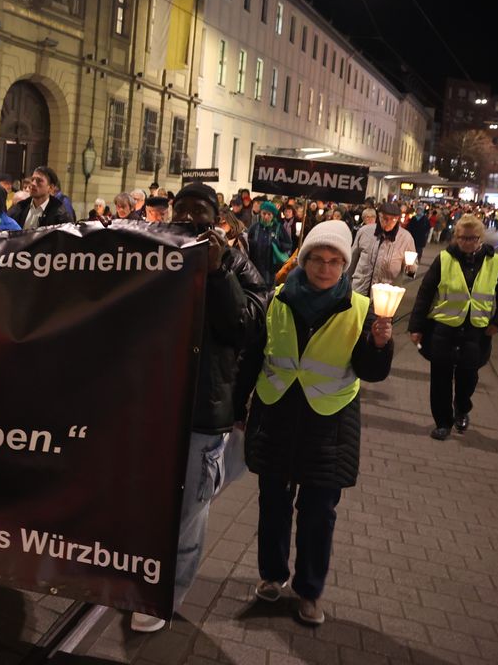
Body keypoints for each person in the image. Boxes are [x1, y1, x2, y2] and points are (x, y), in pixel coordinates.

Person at [239, 220, 393, 626]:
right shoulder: (277, 300)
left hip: (330, 425)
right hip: (276, 416)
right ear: (304, 261)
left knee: (318, 512)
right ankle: (273, 576)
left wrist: (380, 343)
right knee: (273, 504)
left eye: (334, 261)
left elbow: (371, 372)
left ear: (345, 265)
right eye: (317, 260)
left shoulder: (362, 309)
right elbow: (255, 356)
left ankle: (309, 591)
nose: (325, 268)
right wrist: (238, 407)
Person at [131, 182, 267, 633]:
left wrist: (216, 272)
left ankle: (166, 598)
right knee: (147, 504)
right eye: (183, 209)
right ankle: (138, 577)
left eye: (201, 211)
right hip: (154, 406)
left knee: (188, 513)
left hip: (204, 411)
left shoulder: (238, 266)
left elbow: (243, 329)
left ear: (219, 219)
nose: (190, 218)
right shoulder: (156, 253)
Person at [408, 214, 498, 440]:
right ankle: (443, 422)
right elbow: (425, 293)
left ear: (481, 238)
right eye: (463, 238)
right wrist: (416, 327)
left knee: (469, 376)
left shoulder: (494, 261)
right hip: (444, 329)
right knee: (440, 378)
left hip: (477, 331)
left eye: (472, 238)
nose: (467, 242)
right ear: (456, 237)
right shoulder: (444, 258)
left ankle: (462, 407)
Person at [350, 202, 417, 296]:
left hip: (385, 296)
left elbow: (412, 268)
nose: (389, 222)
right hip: (359, 290)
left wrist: (411, 268)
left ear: (398, 219)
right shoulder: (365, 232)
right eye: (385, 219)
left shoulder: (406, 238)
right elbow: (353, 259)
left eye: (393, 219)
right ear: (379, 216)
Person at [8, 166, 73, 230]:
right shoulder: (21, 207)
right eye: (32, 179)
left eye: (39, 181)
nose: (33, 184)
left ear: (51, 188)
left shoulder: (59, 214)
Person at [246, 201, 293, 288]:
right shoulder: (255, 227)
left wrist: (277, 244)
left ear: (273, 216)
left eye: (269, 214)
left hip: (270, 271)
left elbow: (288, 244)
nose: (266, 217)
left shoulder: (278, 228)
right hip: (255, 268)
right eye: (264, 213)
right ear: (260, 213)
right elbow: (246, 243)